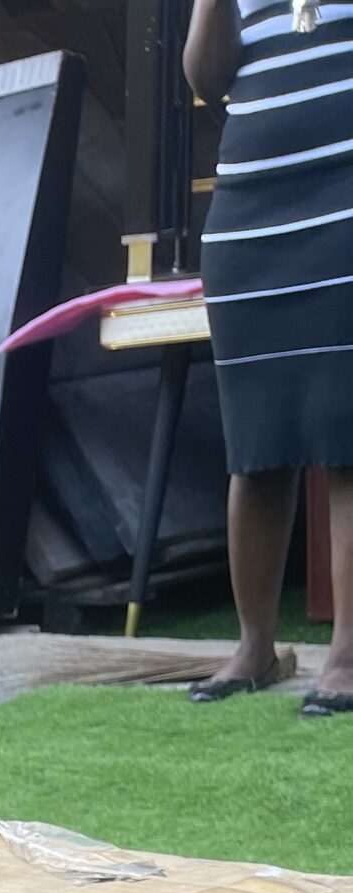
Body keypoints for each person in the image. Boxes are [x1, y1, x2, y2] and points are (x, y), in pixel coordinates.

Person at [185, 0, 353, 711]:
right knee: (254, 442)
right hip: (250, 212)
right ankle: (255, 648)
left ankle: (346, 656)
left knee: (347, 434)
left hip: (344, 198)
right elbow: (207, 79)